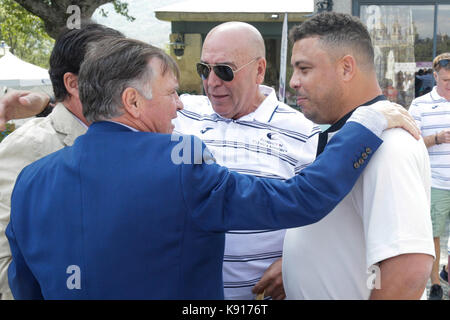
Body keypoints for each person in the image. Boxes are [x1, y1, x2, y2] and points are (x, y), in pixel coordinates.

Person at [6, 37, 414, 300]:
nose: (182, 104)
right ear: (132, 102)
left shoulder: (31, 181)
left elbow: (26, 287)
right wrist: (365, 125)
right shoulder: (181, 164)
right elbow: (301, 199)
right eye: (171, 94)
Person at [282, 12, 435, 300]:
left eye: (303, 69)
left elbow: (408, 271)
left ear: (346, 68)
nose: (293, 82)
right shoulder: (351, 135)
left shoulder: (388, 144)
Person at [174, 21, 319, 300]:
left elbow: (323, 214)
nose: (211, 82)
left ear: (259, 70)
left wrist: (296, 262)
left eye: (224, 71)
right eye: (204, 69)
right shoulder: (181, 112)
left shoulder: (302, 132)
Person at [0, 22, 125, 300]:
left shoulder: (126, 138)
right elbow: (4, 260)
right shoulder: (29, 147)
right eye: (114, 75)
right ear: (74, 84)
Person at [409, 52, 450, 300]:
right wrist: (436, 139)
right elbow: (410, 143)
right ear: (435, 76)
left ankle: (447, 272)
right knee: (433, 234)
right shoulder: (420, 105)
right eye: (446, 80)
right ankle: (435, 283)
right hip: (435, 182)